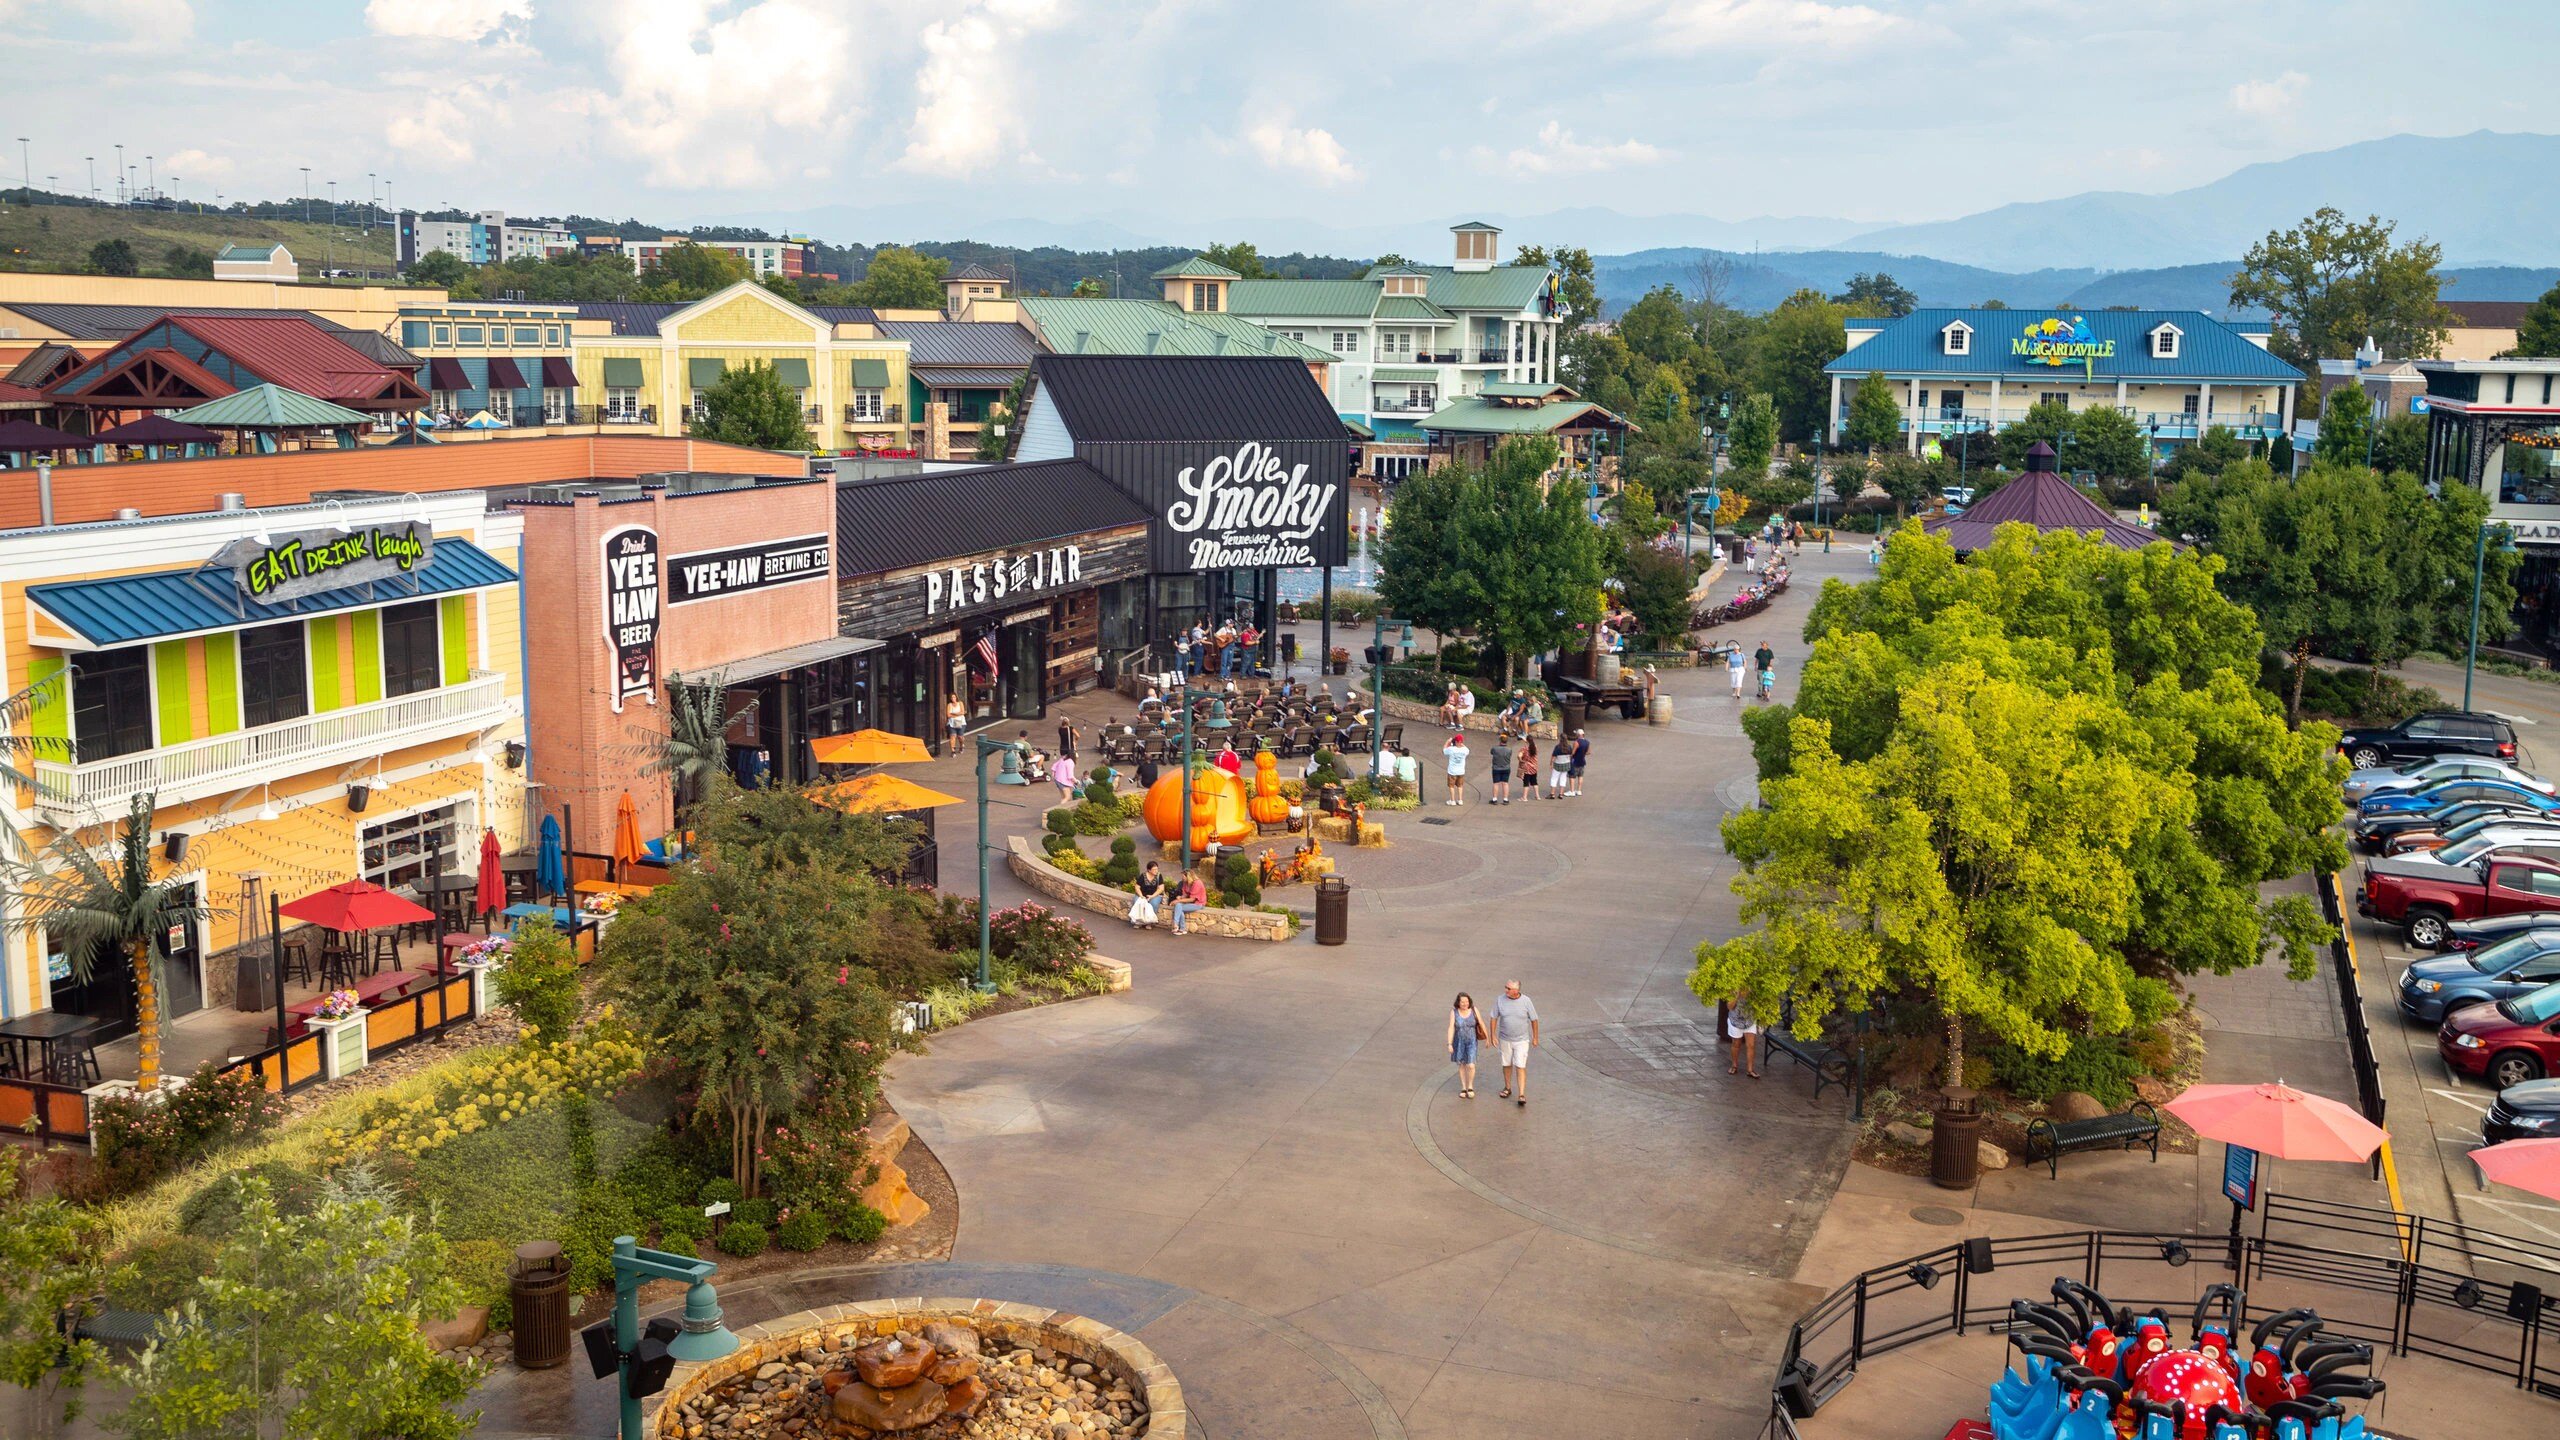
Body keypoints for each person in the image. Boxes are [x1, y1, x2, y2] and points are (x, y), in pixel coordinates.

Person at [1490, 979, 1539, 1105]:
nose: (1505, 990)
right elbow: (1494, 1017)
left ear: (1516, 990)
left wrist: (1535, 1037)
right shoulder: (1500, 999)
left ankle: (1521, 1094)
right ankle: (1507, 1088)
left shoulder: (1526, 1001)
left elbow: (1534, 1019)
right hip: (1505, 1039)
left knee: (1520, 1065)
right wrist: (1493, 1035)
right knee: (1506, 1064)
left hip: (1521, 1040)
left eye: (1508, 988)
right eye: (1505, 987)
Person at [1448, 992, 1489, 1100]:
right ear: (1458, 1002)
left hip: (1471, 1041)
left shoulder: (1474, 1010)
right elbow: (1451, 1027)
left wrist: (1487, 1038)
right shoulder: (1454, 1012)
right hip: (1459, 1041)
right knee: (1461, 1064)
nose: (1465, 1004)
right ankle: (1463, 1087)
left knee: (1470, 1065)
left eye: (1466, 1001)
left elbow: (1481, 1022)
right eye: (1462, 1002)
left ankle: (1470, 1086)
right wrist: (1449, 1043)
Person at [1726, 988, 1763, 1078]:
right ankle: (1734, 1066)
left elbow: (1759, 1005)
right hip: (1735, 1021)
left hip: (1749, 1020)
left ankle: (1750, 1070)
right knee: (1736, 1044)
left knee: (1751, 1045)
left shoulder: (1754, 989)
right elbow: (1730, 1007)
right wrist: (1737, 995)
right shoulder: (1733, 989)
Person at [1169, 868, 1209, 936]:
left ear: (1188, 876)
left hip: (1198, 903)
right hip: (1190, 902)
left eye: (1183, 877)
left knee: (1178, 906)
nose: (1182, 878)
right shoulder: (1186, 882)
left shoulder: (1197, 883)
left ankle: (1177, 925)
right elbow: (1186, 894)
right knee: (1178, 906)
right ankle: (1181, 928)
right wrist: (1181, 897)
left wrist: (1178, 900)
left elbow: (1192, 899)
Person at [1129, 861, 1166, 928]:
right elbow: (1137, 887)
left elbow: (1161, 888)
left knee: (1153, 903)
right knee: (1138, 902)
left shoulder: (1159, 876)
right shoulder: (1143, 876)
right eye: (1154, 869)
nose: (1156, 871)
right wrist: (1141, 896)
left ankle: (1149, 922)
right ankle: (1138, 921)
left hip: (1155, 895)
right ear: (1149, 870)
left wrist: (1152, 896)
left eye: (1157, 869)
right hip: (1142, 894)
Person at [1442, 729, 1469, 806]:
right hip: (1461, 771)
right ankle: (1460, 800)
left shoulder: (1451, 749)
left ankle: (1452, 800)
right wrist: (1461, 743)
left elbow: (1444, 750)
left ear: (1455, 741)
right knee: (1460, 786)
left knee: (1451, 786)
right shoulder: (1465, 750)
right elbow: (1466, 748)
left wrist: (1448, 742)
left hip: (1452, 771)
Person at [1488, 734, 1514, 805]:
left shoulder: (1495, 749)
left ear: (1500, 740)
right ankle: (1505, 799)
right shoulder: (1509, 749)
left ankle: (1495, 799)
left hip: (1496, 768)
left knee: (1496, 783)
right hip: (1506, 768)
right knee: (1505, 783)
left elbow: (1491, 752)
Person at [1567, 728, 1590, 797]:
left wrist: (1569, 758)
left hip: (1575, 761)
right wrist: (1582, 754)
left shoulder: (1576, 742)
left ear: (1578, 735)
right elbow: (1588, 752)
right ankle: (1579, 790)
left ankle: (1572, 791)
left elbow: (1573, 752)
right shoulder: (1587, 742)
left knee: (1572, 776)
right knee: (1580, 776)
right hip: (1582, 761)